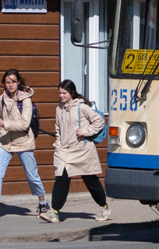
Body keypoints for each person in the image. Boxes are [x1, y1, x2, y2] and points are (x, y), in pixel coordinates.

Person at [0, 69, 53, 221]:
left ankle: (43, 203)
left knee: (32, 175)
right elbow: (3, 118)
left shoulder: (25, 100)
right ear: (4, 84)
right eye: (7, 82)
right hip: (6, 142)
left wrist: (3, 123)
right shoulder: (1, 99)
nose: (10, 84)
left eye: (13, 81)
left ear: (18, 82)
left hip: (23, 141)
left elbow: (24, 124)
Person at [40, 80, 110, 223]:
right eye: (60, 93)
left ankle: (104, 207)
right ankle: (55, 211)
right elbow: (58, 129)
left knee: (90, 180)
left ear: (71, 93)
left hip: (82, 150)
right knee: (61, 178)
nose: (61, 96)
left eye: (64, 93)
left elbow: (99, 122)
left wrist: (86, 131)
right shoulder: (59, 109)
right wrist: (58, 144)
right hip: (65, 151)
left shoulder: (81, 107)